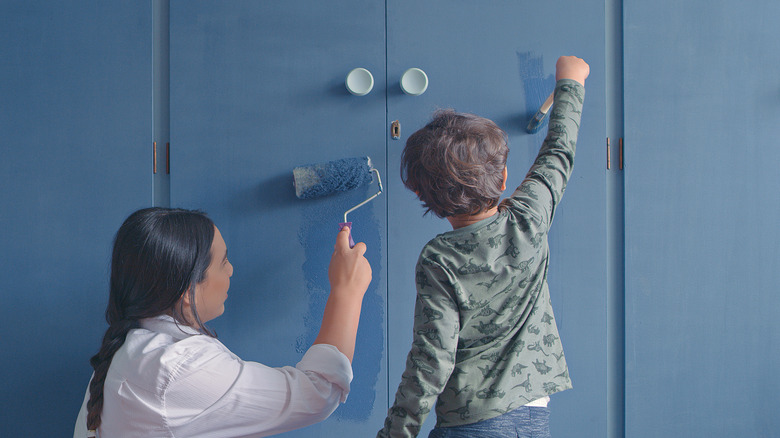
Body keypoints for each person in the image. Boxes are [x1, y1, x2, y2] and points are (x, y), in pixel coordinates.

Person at [377, 56, 590, 438]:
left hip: (469, 422)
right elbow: (559, 152)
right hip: (531, 418)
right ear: (505, 176)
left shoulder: (439, 258)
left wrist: (397, 432)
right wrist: (571, 82)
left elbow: (432, 358)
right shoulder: (530, 217)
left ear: (421, 194)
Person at [73, 207, 371, 437]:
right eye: (223, 262)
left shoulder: (133, 348)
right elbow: (318, 393)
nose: (231, 270)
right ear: (185, 291)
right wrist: (347, 291)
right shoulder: (176, 369)